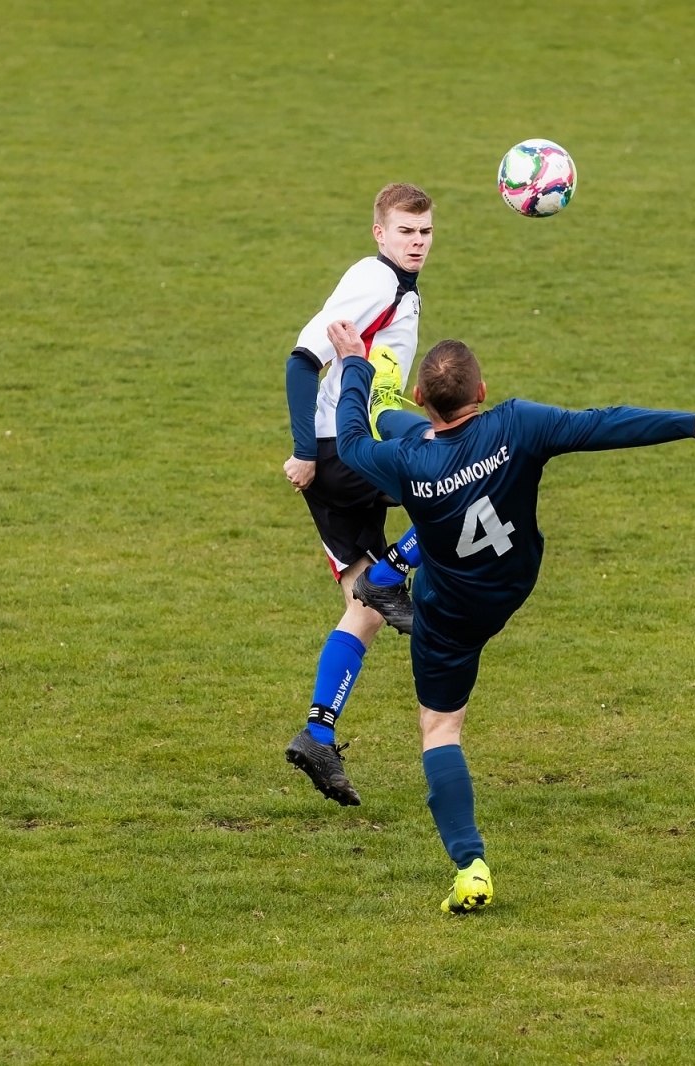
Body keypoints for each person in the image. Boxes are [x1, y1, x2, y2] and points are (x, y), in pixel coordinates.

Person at [328, 322, 695, 913]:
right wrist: (693, 421)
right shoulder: (518, 423)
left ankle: (470, 865)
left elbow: (348, 445)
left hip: (449, 615)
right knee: (404, 432)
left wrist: (354, 367)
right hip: (513, 580)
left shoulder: (403, 465)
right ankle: (387, 404)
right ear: (484, 390)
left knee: (440, 729)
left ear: (426, 397)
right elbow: (603, 423)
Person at [282, 183, 439, 805]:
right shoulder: (375, 280)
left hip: (344, 450)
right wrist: (302, 449)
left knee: (364, 608)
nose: (417, 243)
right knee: (460, 482)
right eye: (405, 232)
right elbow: (302, 359)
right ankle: (395, 569)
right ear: (380, 233)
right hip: (341, 450)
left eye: (425, 232)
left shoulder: (398, 284)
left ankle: (318, 733)